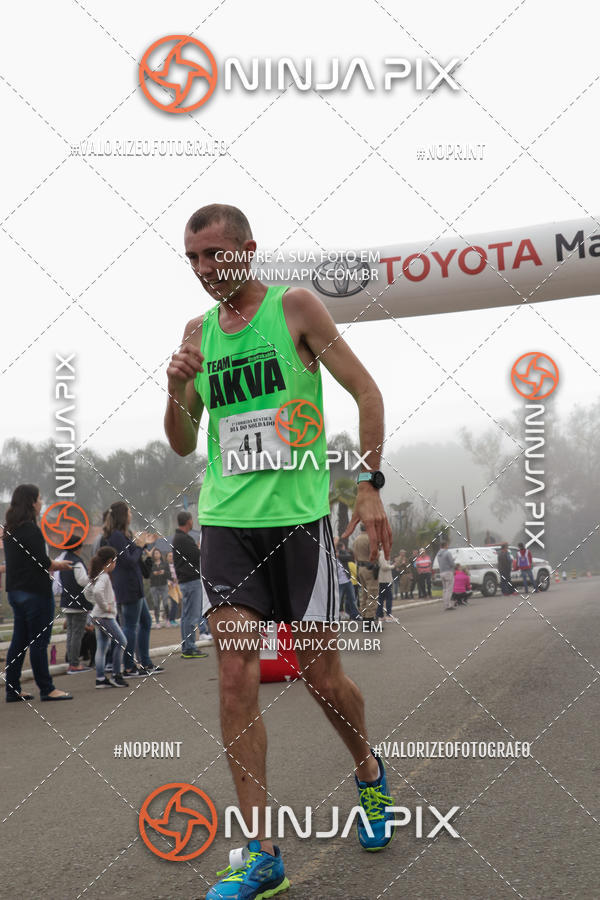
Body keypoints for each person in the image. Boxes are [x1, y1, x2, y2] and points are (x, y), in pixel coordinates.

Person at [164, 204, 395, 899]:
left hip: (297, 523)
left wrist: (366, 486)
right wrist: (176, 388)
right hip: (228, 525)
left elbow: (365, 391)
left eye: (215, 255)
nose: (205, 270)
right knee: (235, 678)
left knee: (323, 681)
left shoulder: (294, 309)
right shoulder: (196, 334)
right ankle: (263, 852)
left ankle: (367, 768)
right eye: (193, 259)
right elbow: (181, 440)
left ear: (247, 251)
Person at [4, 484, 73, 702]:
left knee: (19, 641)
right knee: (39, 642)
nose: (42, 502)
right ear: (32, 502)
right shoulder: (31, 530)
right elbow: (41, 562)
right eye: (40, 499)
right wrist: (58, 565)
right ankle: (47, 688)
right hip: (36, 593)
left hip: (15, 592)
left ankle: (13, 689)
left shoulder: (9, 530)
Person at [104, 501, 163, 676]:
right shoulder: (116, 536)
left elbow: (135, 556)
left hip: (134, 586)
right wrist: (138, 545)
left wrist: (143, 544)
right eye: (129, 511)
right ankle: (129, 666)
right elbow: (128, 560)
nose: (131, 514)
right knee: (130, 626)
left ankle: (145, 662)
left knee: (145, 622)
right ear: (123, 515)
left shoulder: (124, 535)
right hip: (128, 587)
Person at [84, 546, 127, 688]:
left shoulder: (97, 575)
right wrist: (105, 606)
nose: (116, 564)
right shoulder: (104, 576)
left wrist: (97, 604)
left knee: (102, 647)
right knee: (121, 641)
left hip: (97, 615)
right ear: (110, 561)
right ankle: (116, 675)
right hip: (105, 616)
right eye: (115, 561)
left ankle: (100, 679)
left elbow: (88, 592)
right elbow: (96, 592)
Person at [172, 511, 209, 658]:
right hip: (191, 580)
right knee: (191, 616)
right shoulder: (184, 539)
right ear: (188, 521)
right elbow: (197, 556)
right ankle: (190, 647)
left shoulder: (179, 538)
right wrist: (199, 548)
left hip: (186, 580)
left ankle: (187, 646)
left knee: (186, 616)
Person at [57, 540, 93, 673]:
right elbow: (82, 581)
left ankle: (71, 661)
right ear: (77, 547)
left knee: (71, 633)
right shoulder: (76, 561)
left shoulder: (64, 560)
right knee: (77, 634)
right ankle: (74, 664)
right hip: (78, 603)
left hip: (67, 601)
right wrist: (93, 577)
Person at [352, 525, 381, 624]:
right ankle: (370, 619)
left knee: (364, 594)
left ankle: (364, 617)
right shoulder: (371, 539)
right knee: (372, 594)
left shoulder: (356, 539)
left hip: (360, 567)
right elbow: (375, 554)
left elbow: (355, 555)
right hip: (370, 568)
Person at [335, 540, 361, 620]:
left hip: (347, 580)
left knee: (352, 599)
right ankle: (336, 617)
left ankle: (355, 615)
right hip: (338, 582)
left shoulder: (341, 553)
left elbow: (349, 557)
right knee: (338, 601)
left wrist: (338, 555)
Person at [149, 548, 170, 627]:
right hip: (154, 586)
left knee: (165, 603)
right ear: (153, 555)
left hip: (164, 585)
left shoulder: (165, 564)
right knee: (156, 604)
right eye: (155, 553)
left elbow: (169, 575)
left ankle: (167, 620)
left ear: (160, 554)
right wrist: (154, 574)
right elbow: (148, 575)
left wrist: (164, 572)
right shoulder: (151, 564)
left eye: (158, 553)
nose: (156, 555)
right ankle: (157, 621)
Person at [437, 539, 455, 611]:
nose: (448, 546)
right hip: (448, 571)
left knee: (444, 589)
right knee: (449, 589)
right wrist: (453, 563)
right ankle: (448, 605)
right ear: (445, 545)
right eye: (447, 545)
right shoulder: (447, 553)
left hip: (442, 572)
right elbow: (451, 563)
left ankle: (445, 604)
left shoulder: (438, 554)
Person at [377, 548, 394, 621]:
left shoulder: (382, 553)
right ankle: (388, 615)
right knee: (389, 597)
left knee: (381, 598)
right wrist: (393, 566)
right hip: (385, 579)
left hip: (383, 579)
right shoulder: (382, 554)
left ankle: (380, 615)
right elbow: (384, 566)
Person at [166, 550, 181, 624]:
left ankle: (174, 618)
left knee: (178, 603)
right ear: (166, 557)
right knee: (173, 603)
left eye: (172, 556)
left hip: (178, 586)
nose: (171, 557)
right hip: (169, 587)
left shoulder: (177, 565)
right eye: (169, 556)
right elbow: (164, 576)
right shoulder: (165, 566)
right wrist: (170, 581)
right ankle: (171, 619)